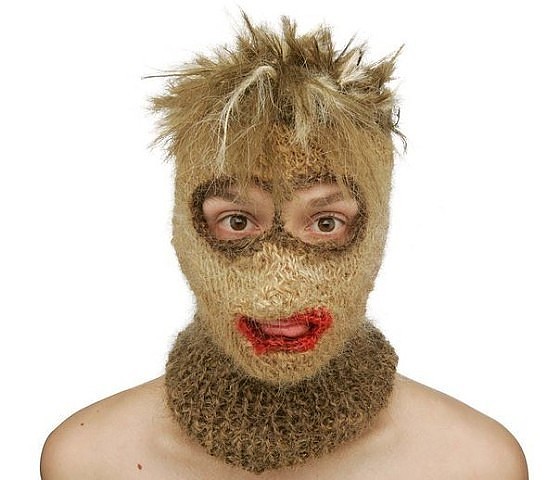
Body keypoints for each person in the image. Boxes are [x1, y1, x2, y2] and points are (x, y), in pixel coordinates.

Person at [40, 15, 528, 479]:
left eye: (325, 223)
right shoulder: (86, 462)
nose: (278, 291)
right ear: (183, 232)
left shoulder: (476, 466)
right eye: (236, 221)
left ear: (377, 230)